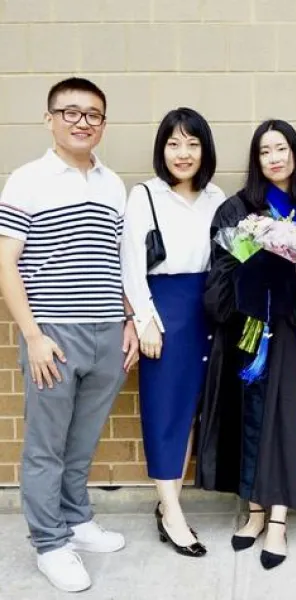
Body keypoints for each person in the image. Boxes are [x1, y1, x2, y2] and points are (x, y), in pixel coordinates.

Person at [0, 77, 138, 593]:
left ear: (103, 124)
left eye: (94, 115)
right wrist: (33, 335)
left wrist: (129, 320)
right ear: (50, 117)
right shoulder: (28, 179)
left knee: (81, 442)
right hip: (54, 335)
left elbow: (117, 263)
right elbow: (6, 264)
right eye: (72, 112)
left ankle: (77, 520)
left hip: (107, 331)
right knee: (45, 447)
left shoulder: (112, 184)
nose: (83, 122)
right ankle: (50, 543)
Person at [195, 119, 296, 570]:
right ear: (256, 158)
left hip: (291, 331)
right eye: (265, 150)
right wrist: (256, 279)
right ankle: (253, 511)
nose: (274, 157)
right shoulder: (238, 209)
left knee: (285, 419)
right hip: (249, 333)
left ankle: (280, 521)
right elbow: (221, 268)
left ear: (294, 154)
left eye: (282, 148)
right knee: (251, 418)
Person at [120, 108, 225, 557]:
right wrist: (143, 319)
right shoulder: (144, 195)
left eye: (192, 144)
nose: (183, 154)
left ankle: (171, 504)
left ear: (205, 150)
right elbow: (130, 264)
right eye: (174, 144)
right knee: (167, 415)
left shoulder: (217, 197)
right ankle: (171, 511)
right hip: (166, 313)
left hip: (210, 310)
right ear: (162, 149)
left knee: (195, 415)